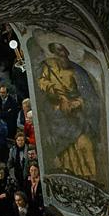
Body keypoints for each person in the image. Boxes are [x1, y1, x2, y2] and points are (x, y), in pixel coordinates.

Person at [37, 42, 100, 181]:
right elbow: (42, 83)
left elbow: (90, 98)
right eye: (58, 53)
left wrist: (77, 103)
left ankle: (91, 177)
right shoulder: (49, 67)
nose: (62, 56)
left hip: (75, 117)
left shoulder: (76, 72)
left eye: (64, 52)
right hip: (57, 117)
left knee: (85, 145)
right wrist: (58, 94)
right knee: (67, 153)